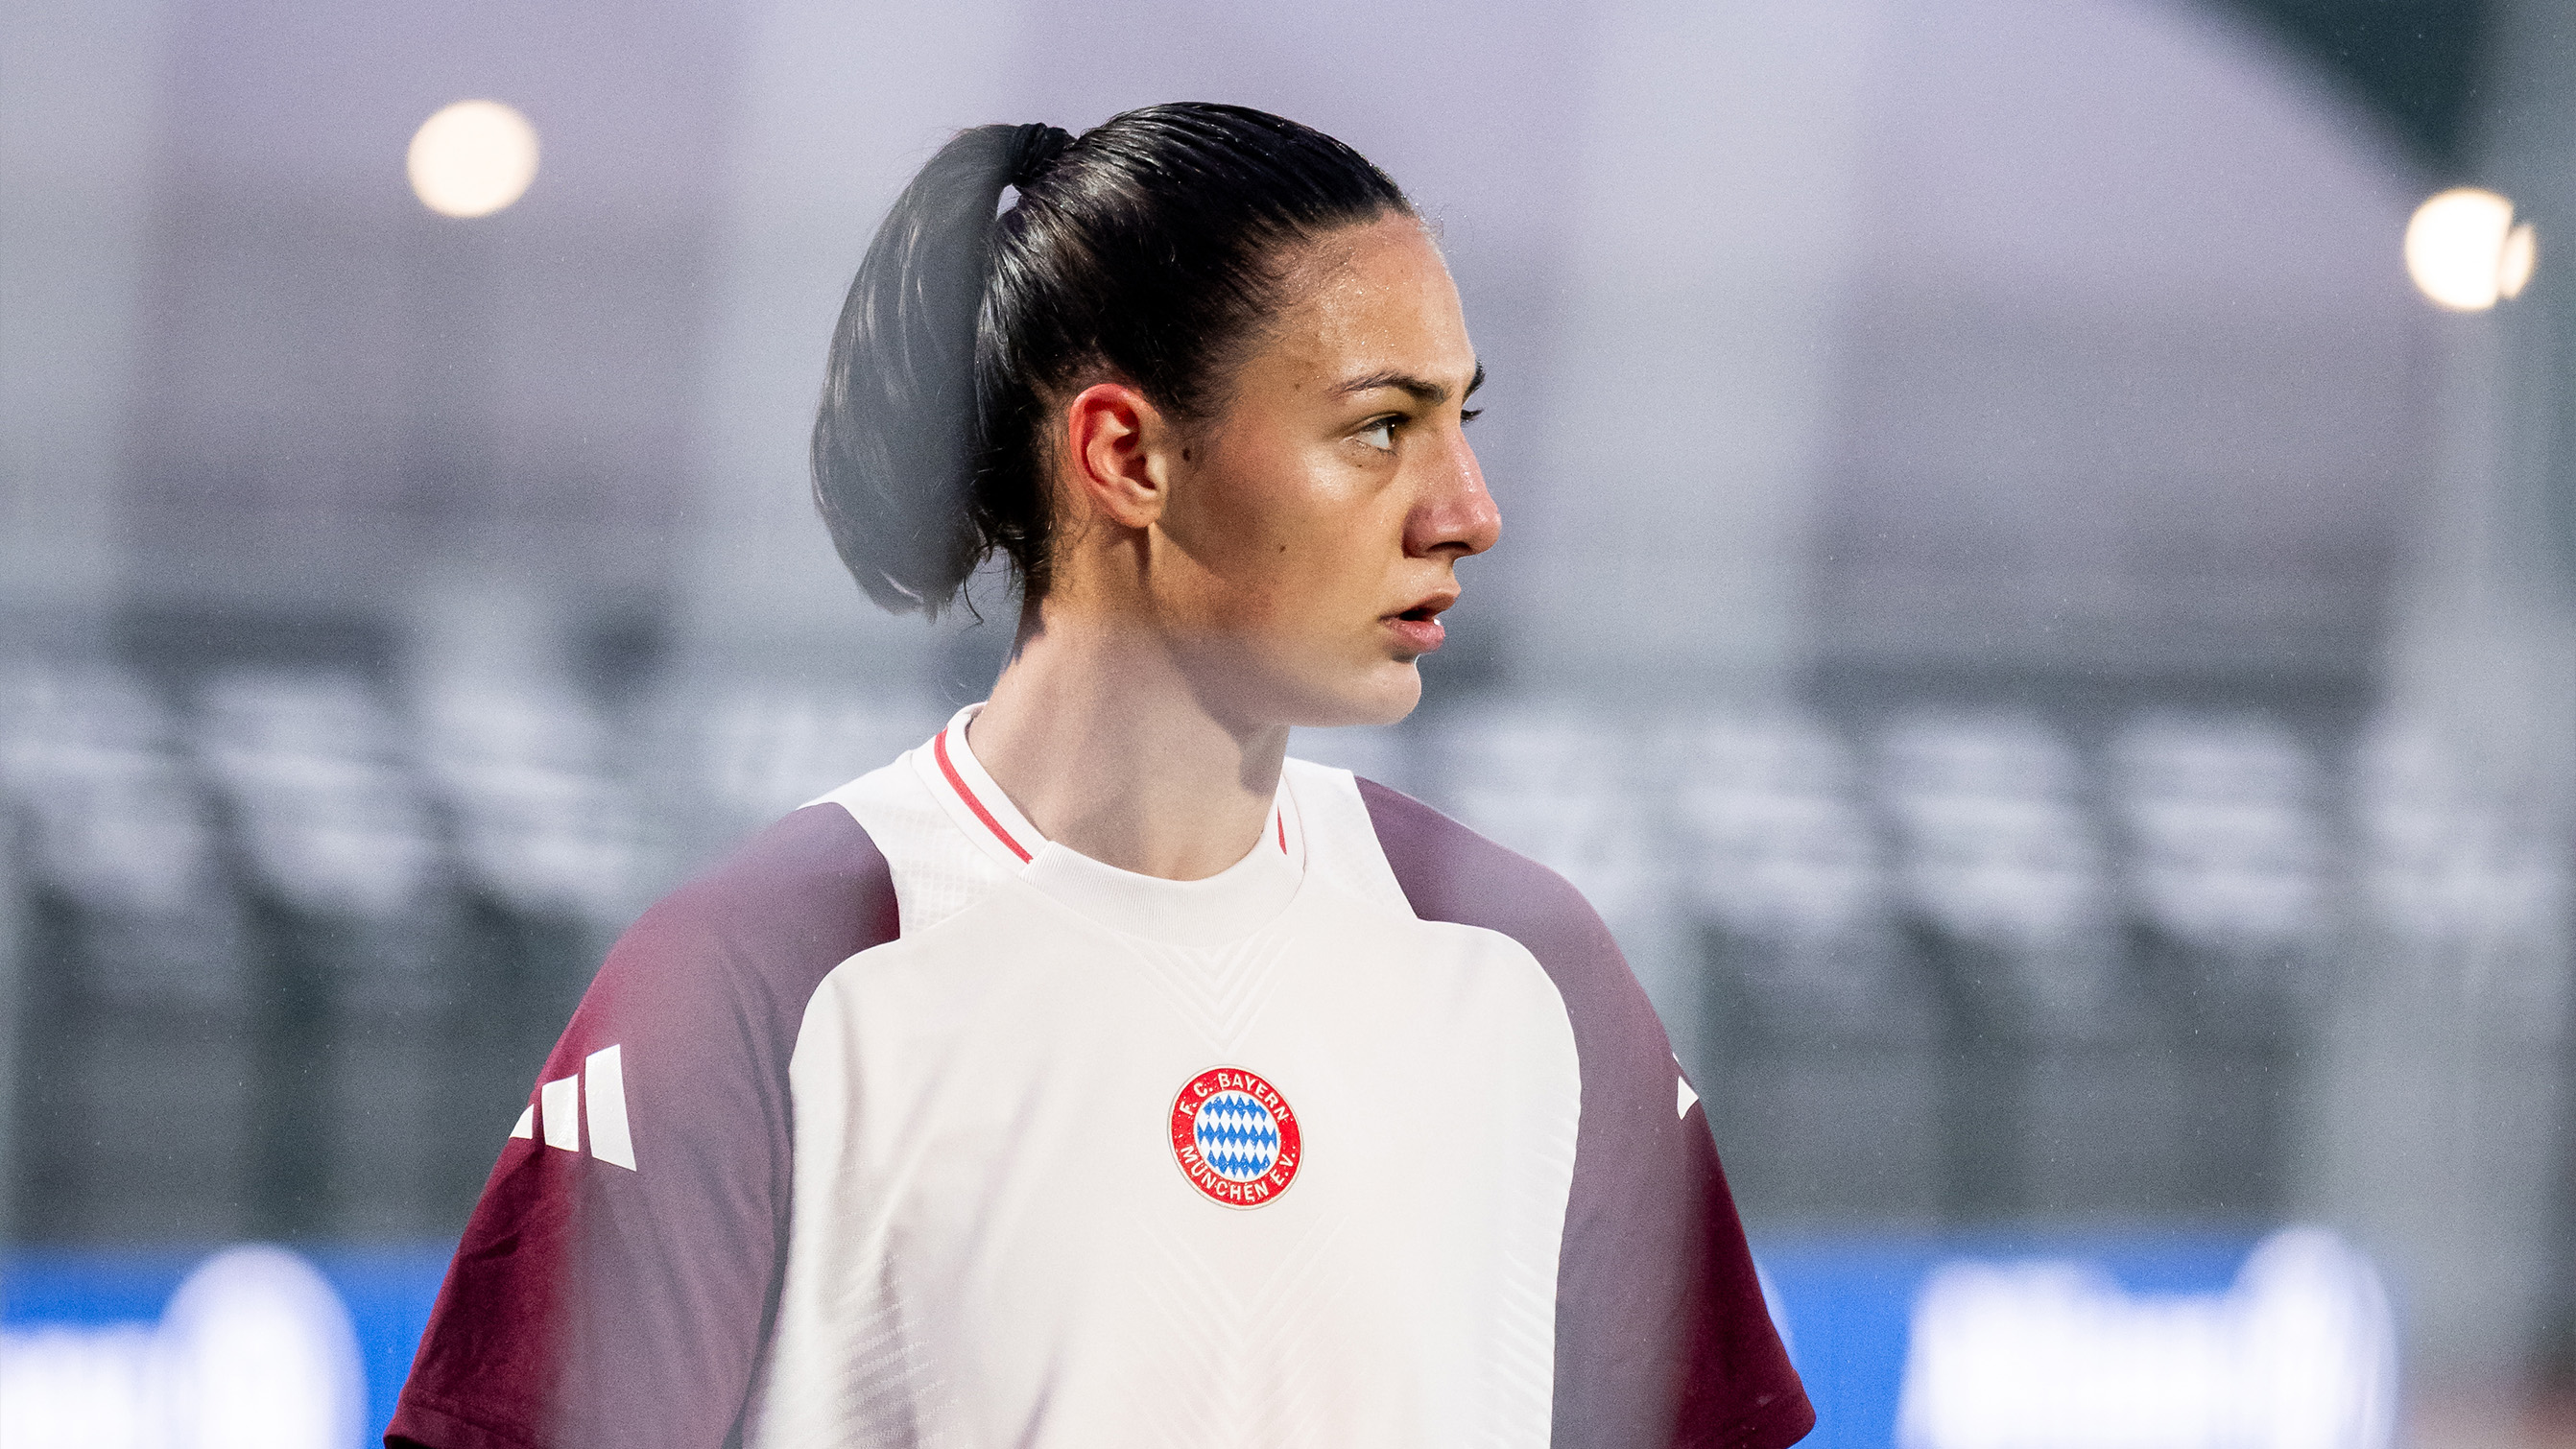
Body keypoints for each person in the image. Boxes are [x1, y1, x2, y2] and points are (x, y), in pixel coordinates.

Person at [388, 103, 1811, 1449]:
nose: (1468, 512)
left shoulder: (1525, 964)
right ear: (1124, 452)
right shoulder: (765, 974)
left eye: (1463, 424)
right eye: (1382, 426)